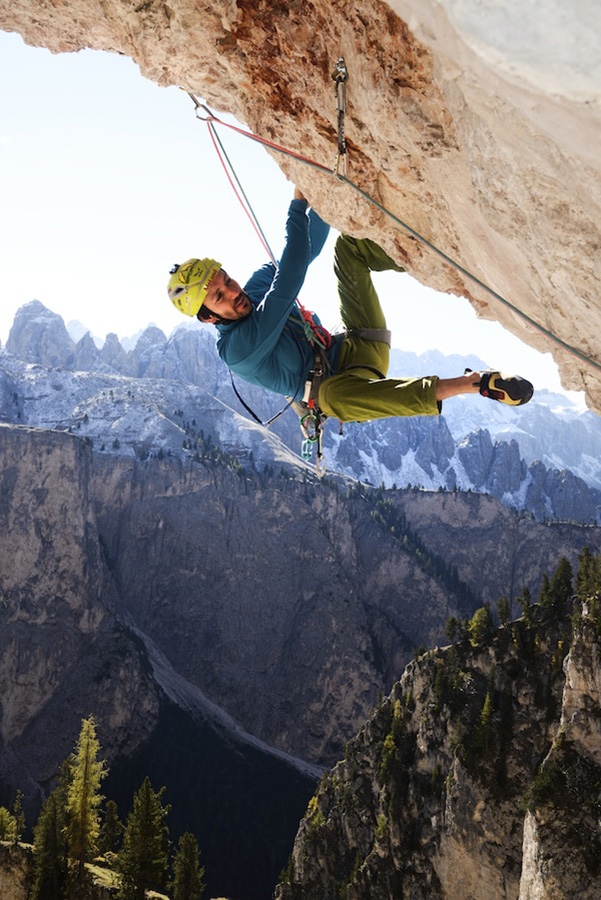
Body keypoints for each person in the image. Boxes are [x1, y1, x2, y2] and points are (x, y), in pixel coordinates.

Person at [167, 188, 533, 425]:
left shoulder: (248, 294)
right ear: (209, 318)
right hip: (340, 388)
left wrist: (321, 195)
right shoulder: (238, 350)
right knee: (332, 397)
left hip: (360, 346)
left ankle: (439, 259)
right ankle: (475, 383)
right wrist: (297, 206)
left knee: (350, 250)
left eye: (226, 281)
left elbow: (305, 249)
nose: (233, 292)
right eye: (219, 296)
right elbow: (290, 278)